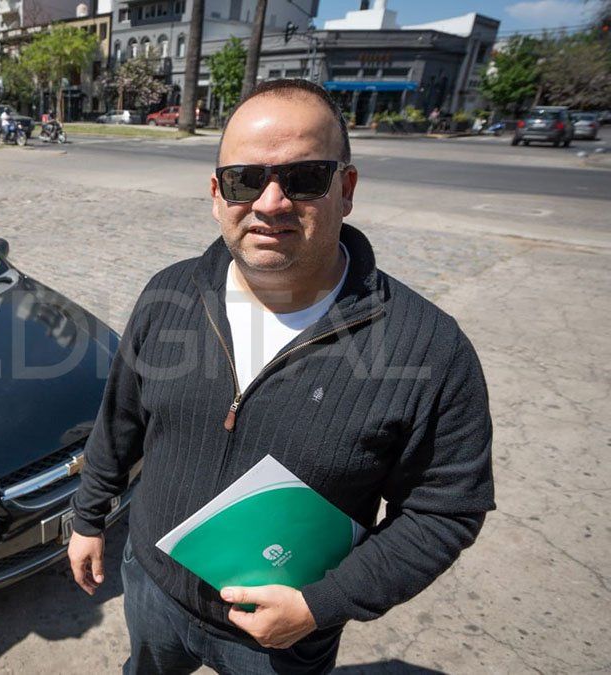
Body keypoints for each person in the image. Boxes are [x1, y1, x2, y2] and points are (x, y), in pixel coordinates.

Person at [68, 78, 494, 674]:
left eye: (303, 178)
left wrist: (322, 605)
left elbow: (445, 511)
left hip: (286, 635)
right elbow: (121, 419)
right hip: (155, 585)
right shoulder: (169, 295)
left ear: (345, 189)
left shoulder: (429, 347)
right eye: (246, 179)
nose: (270, 203)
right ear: (218, 194)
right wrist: (88, 517)